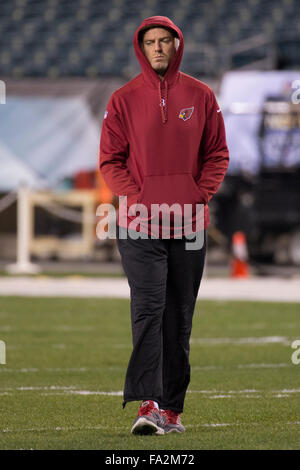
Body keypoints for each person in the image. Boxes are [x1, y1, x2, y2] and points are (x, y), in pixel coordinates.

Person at [99, 16, 229, 435]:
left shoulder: (202, 95)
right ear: (141, 48)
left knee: (180, 318)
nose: (157, 48)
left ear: (177, 45)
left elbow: (218, 155)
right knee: (148, 310)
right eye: (150, 42)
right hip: (138, 224)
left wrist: (198, 193)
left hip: (190, 224)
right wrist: (136, 196)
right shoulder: (122, 99)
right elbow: (109, 161)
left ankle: (171, 410)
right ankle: (148, 404)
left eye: (164, 41)